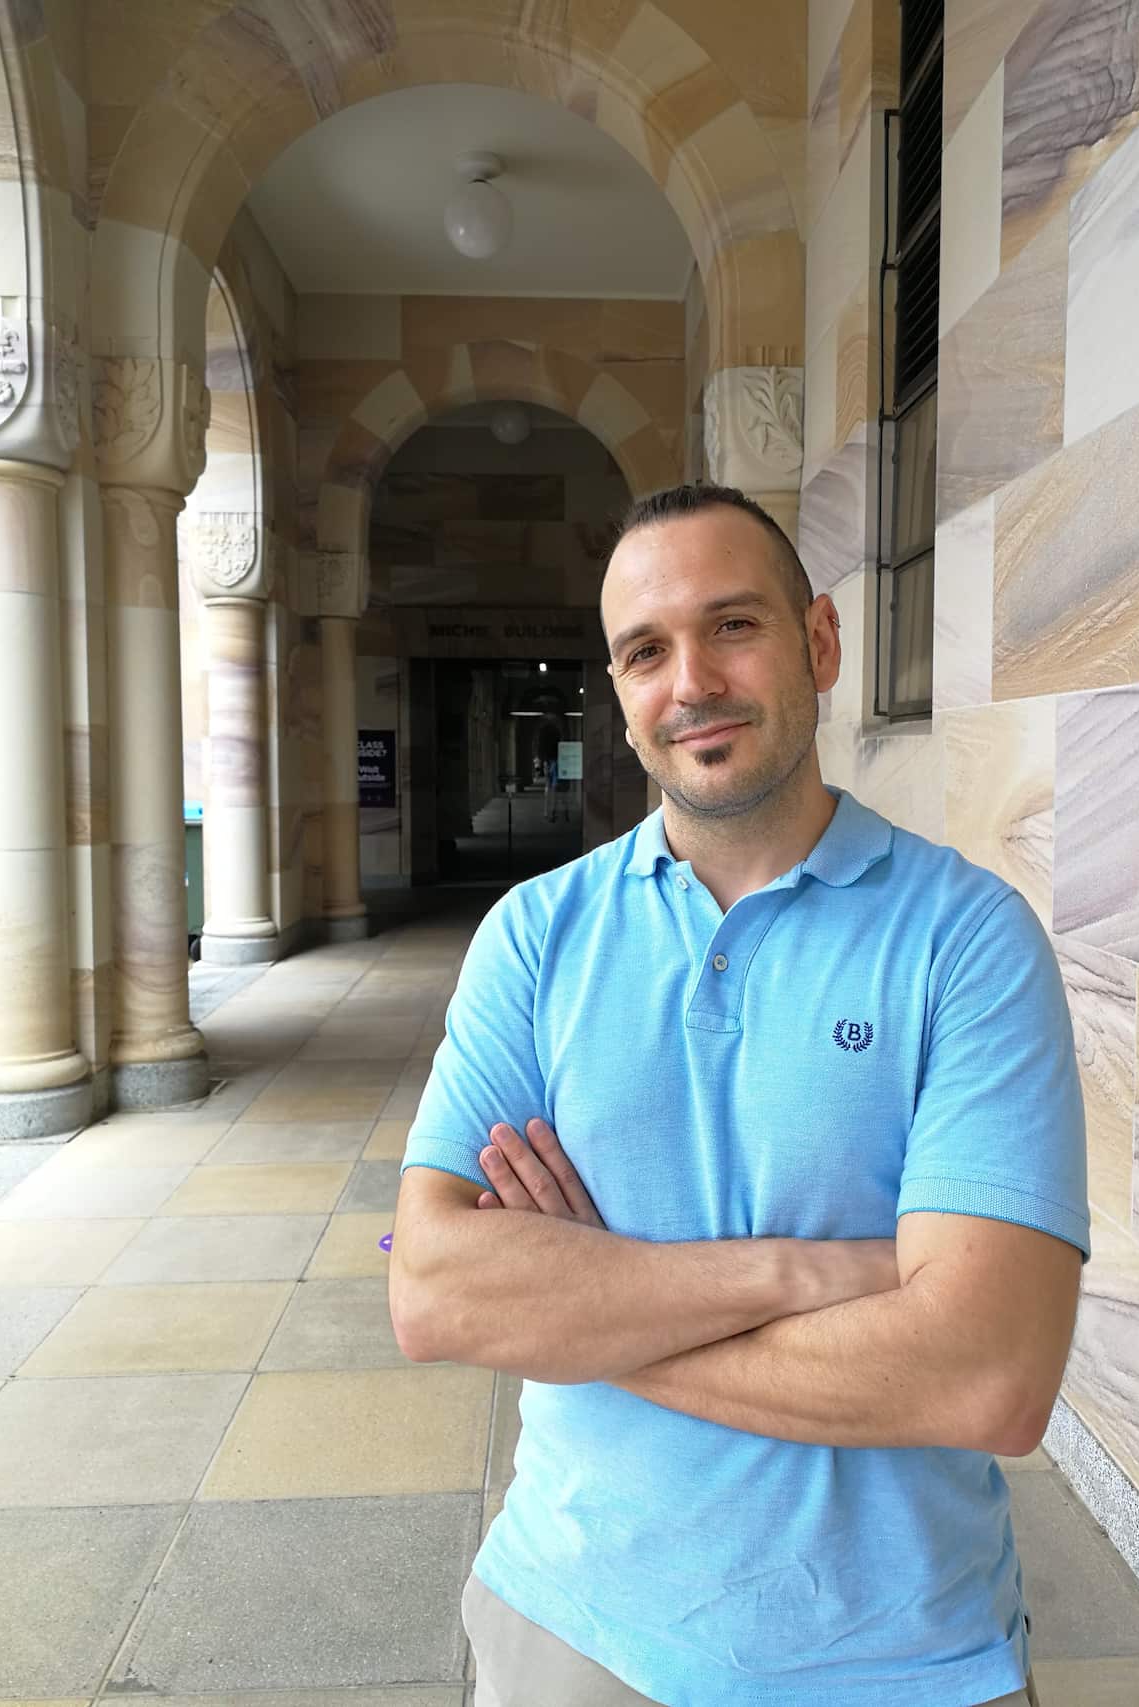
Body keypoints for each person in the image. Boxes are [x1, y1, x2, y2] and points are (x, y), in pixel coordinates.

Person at [389, 483, 1088, 1707]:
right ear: (617, 690)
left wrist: (587, 1309)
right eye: (645, 651)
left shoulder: (966, 940)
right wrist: (803, 1271)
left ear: (818, 642)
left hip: (899, 1662)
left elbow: (985, 1377)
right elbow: (433, 1290)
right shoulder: (535, 938)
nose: (691, 682)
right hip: (573, 1629)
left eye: (733, 627)